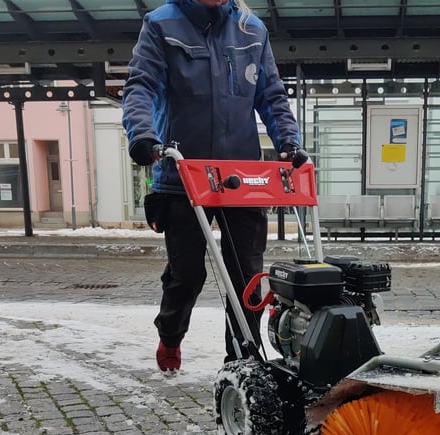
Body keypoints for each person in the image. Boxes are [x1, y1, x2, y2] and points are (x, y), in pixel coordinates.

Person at [122, 0, 307, 372]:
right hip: (182, 176)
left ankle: (241, 360)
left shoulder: (251, 29)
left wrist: (289, 140)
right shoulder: (161, 25)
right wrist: (143, 135)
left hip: (241, 177)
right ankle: (170, 334)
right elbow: (141, 86)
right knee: (186, 274)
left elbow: (271, 94)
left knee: (247, 275)